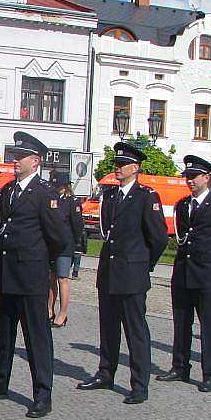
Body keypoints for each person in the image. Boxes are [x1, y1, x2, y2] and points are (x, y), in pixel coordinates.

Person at [0, 132, 66, 418]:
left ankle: (42, 394)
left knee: (37, 336)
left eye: (20, 157)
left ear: (35, 161)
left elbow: (59, 237)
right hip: (7, 271)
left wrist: (38, 258)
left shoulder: (44, 193)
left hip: (31, 274)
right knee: (5, 334)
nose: (15, 161)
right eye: (14, 156)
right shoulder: (8, 190)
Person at [77, 142, 168, 405]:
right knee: (108, 326)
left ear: (135, 168)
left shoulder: (145, 196)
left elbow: (159, 237)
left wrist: (144, 263)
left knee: (135, 330)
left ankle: (139, 384)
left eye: (121, 165)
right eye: (116, 164)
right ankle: (106, 372)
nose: (117, 168)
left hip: (132, 272)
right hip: (110, 271)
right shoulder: (112, 196)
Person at [156, 155, 211, 393]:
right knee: (181, 322)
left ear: (206, 178)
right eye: (187, 177)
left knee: (208, 325)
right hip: (183, 273)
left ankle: (209, 372)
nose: (189, 181)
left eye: (194, 177)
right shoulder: (182, 205)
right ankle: (180, 365)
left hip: (206, 273)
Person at [47, 171, 84, 328]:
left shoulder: (72, 202)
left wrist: (75, 244)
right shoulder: (51, 199)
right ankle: (49, 310)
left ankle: (62, 313)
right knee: (50, 278)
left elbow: (77, 226)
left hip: (65, 245)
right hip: (51, 245)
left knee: (62, 278)